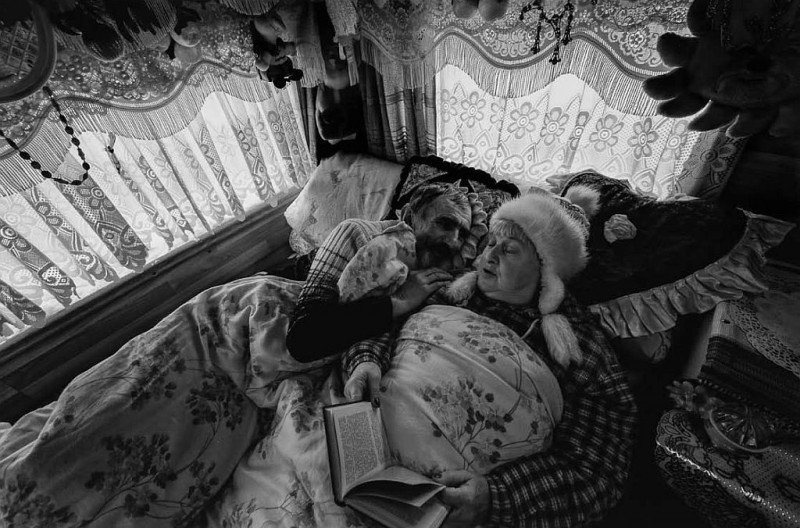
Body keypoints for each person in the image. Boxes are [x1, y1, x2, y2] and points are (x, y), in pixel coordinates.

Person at [344, 192, 639, 527]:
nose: (490, 254)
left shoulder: (580, 345)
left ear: (546, 271)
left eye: (509, 249)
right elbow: (381, 326)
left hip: (440, 503)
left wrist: (496, 497)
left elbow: (597, 469)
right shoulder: (444, 288)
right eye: (491, 243)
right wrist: (366, 360)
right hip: (361, 448)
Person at [286, 181, 487, 399]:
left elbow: (377, 331)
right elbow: (303, 339)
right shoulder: (355, 233)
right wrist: (399, 300)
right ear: (409, 216)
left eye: (462, 235)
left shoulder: (431, 274)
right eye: (445, 224)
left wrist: (365, 362)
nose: (454, 242)